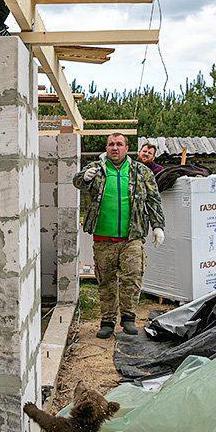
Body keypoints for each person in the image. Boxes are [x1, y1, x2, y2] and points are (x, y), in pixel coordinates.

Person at [73, 133, 165, 339]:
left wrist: (158, 226)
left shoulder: (140, 171)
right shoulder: (96, 169)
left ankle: (128, 319)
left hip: (132, 237)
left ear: (127, 148)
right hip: (103, 238)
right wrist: (84, 177)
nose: (115, 148)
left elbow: (153, 199)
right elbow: (77, 181)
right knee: (106, 282)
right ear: (106, 148)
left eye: (119, 144)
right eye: (111, 144)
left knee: (132, 278)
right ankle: (107, 321)